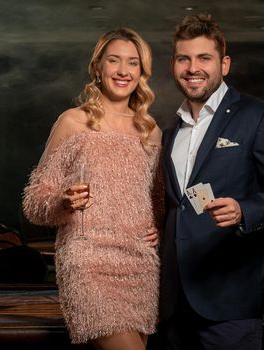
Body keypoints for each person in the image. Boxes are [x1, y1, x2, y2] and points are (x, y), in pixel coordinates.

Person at [158, 14, 264, 350]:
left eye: (204, 58)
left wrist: (244, 210)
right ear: (174, 65)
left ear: (224, 64)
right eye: (184, 58)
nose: (192, 67)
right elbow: (176, 207)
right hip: (175, 302)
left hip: (231, 299)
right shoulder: (170, 130)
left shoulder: (257, 116)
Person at [22, 27, 163, 350]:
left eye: (133, 63)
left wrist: (159, 226)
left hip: (139, 263)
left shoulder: (150, 131)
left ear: (142, 71)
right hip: (88, 261)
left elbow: (157, 201)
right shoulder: (72, 121)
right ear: (98, 66)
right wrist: (63, 201)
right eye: (114, 61)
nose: (123, 71)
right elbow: (33, 202)